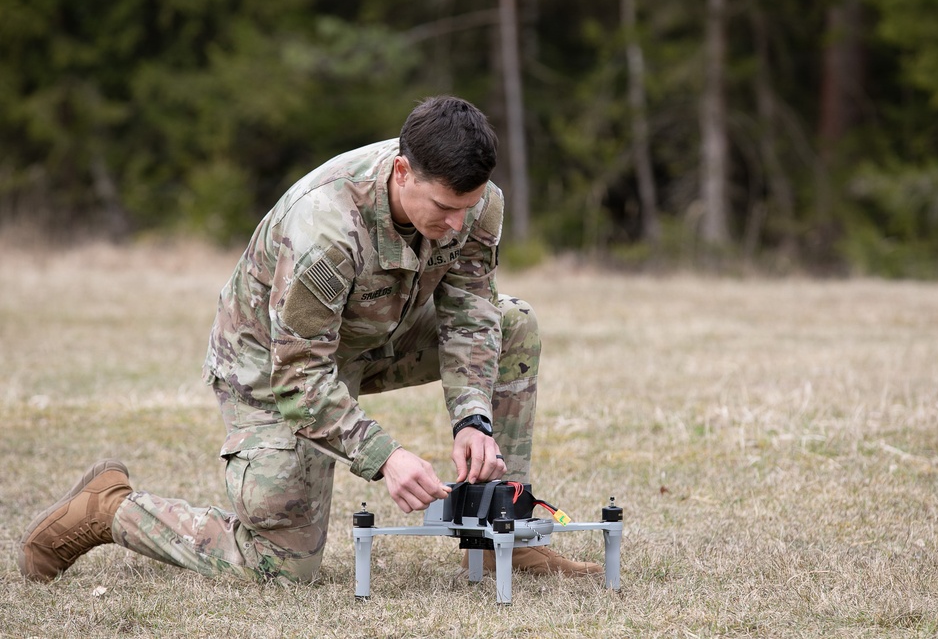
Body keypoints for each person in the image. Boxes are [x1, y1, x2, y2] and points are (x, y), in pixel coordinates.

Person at [18, 95, 601, 584]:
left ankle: (504, 526)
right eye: (445, 208)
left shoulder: (477, 206)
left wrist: (472, 419)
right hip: (271, 364)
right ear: (403, 172)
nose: (458, 224)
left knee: (514, 322)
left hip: (375, 339)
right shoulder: (326, 227)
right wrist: (386, 457)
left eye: (468, 208)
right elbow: (298, 374)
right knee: (282, 564)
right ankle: (109, 509)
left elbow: (471, 309)